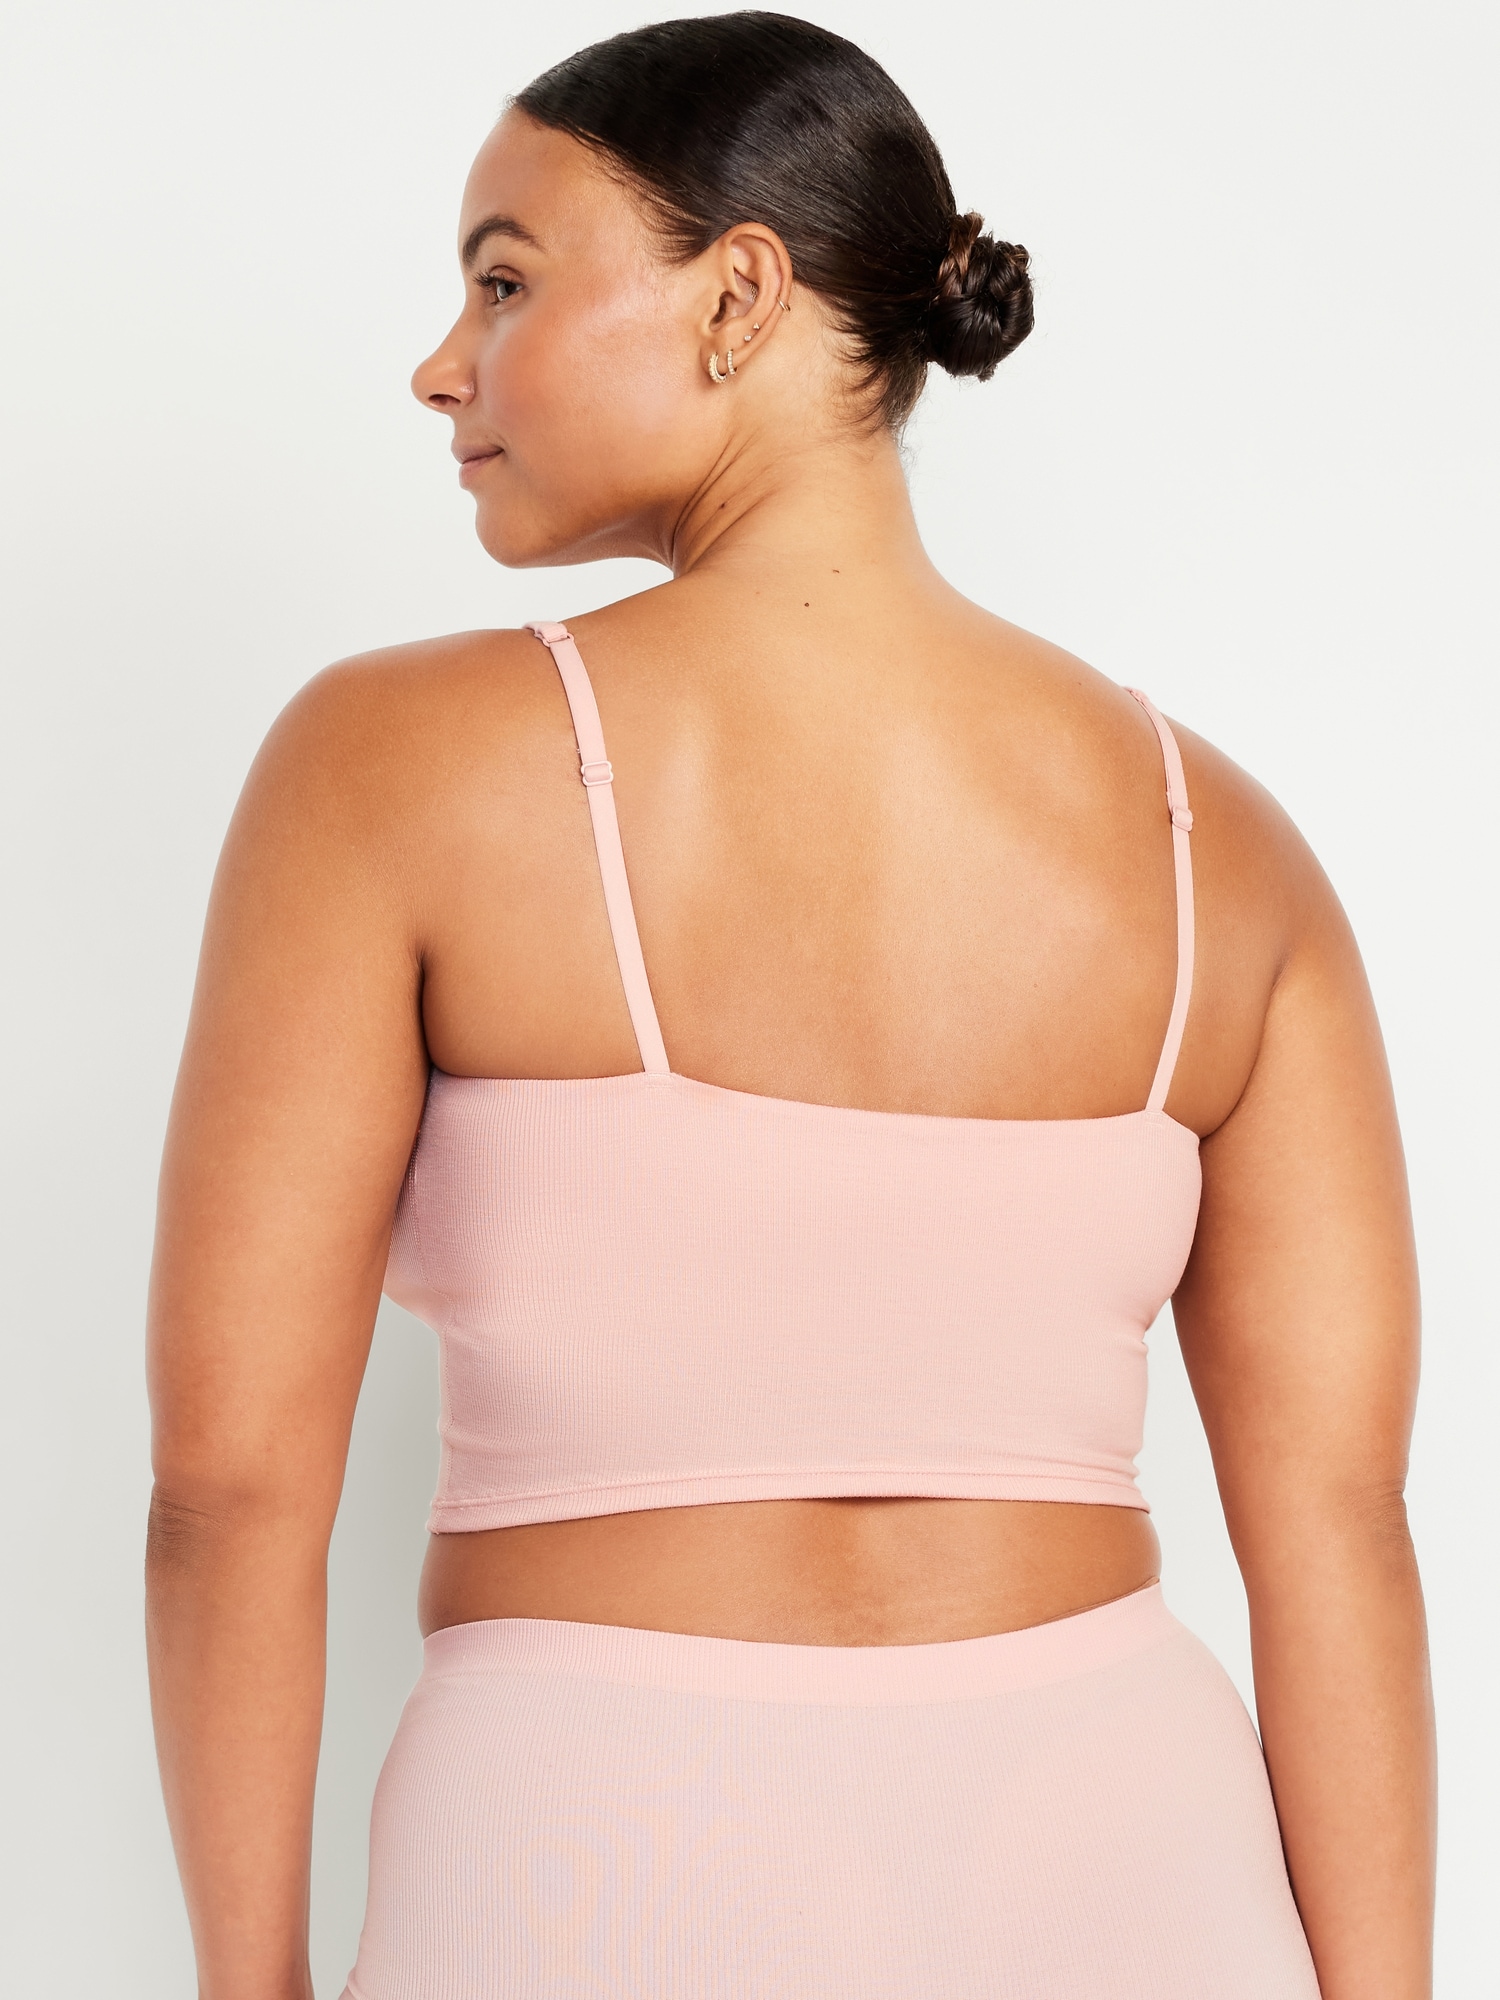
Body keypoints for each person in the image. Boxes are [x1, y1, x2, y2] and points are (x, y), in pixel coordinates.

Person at [144, 13, 1435, 1998]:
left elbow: (232, 1495)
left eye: (505, 281)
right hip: (1127, 1849)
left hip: (593, 1858)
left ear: (739, 295)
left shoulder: (389, 771)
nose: (442, 363)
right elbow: (1339, 1531)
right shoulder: (1224, 848)